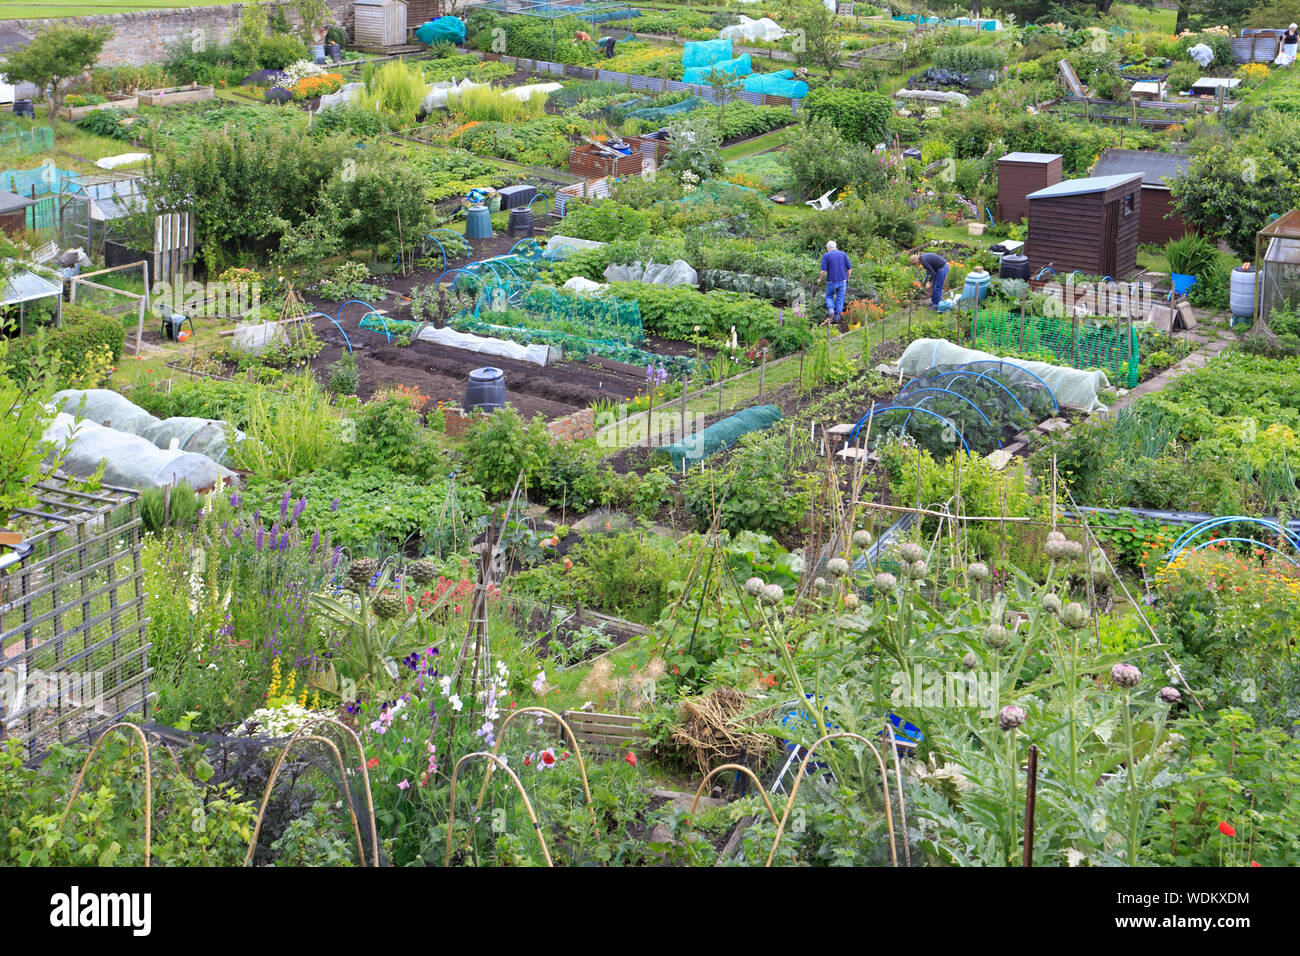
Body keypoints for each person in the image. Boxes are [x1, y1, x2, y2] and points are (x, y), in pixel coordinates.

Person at [819, 240, 851, 324]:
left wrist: (820, 279)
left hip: (831, 281)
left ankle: (831, 311)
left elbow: (823, 271)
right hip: (843, 281)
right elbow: (850, 268)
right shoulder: (843, 254)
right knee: (840, 299)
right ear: (835, 246)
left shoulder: (826, 256)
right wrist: (848, 278)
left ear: (828, 248)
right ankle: (837, 316)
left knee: (829, 296)